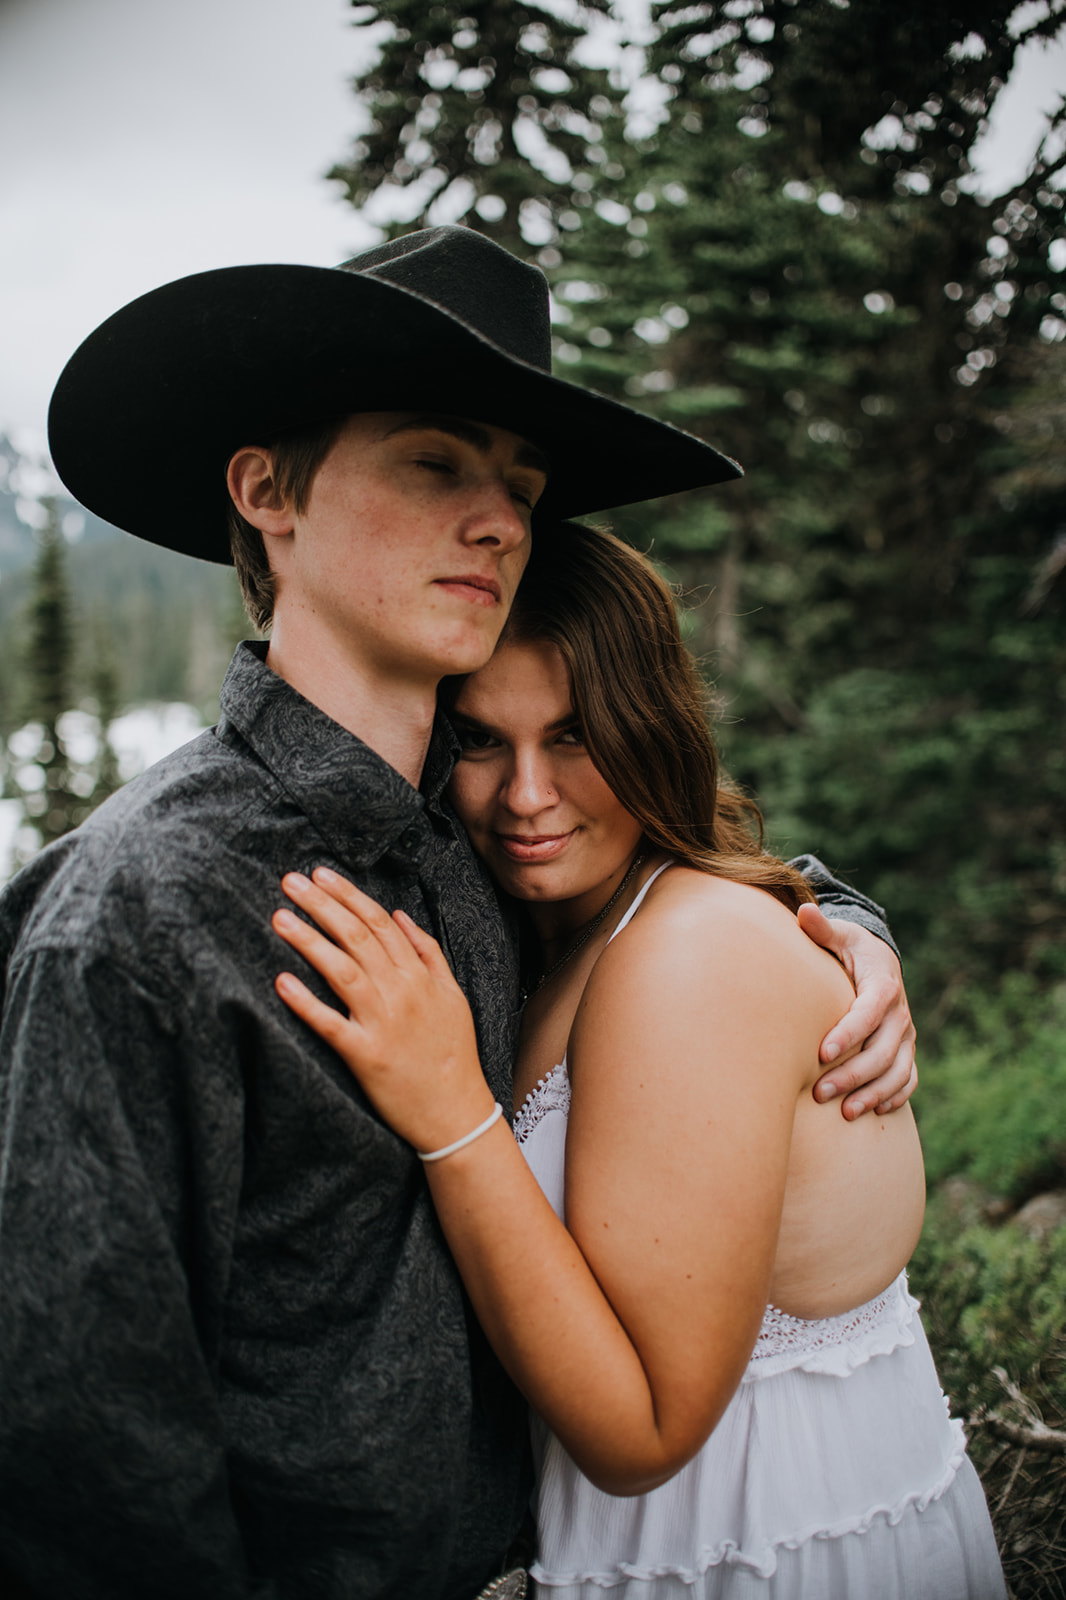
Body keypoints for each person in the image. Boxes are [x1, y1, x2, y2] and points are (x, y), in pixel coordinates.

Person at [0, 227, 914, 1600]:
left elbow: (673, 882)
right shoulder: (145, 913)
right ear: (267, 491)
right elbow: (88, 1460)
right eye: (434, 461)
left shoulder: (475, 829)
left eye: (522, 484)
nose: (498, 518)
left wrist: (847, 927)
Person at [271, 520, 1004, 1599]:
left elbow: (645, 1430)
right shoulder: (559, 926)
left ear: (649, 726)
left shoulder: (690, 956)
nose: (525, 796)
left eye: (574, 735)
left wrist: (451, 1111)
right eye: (480, 740)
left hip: (775, 1559)